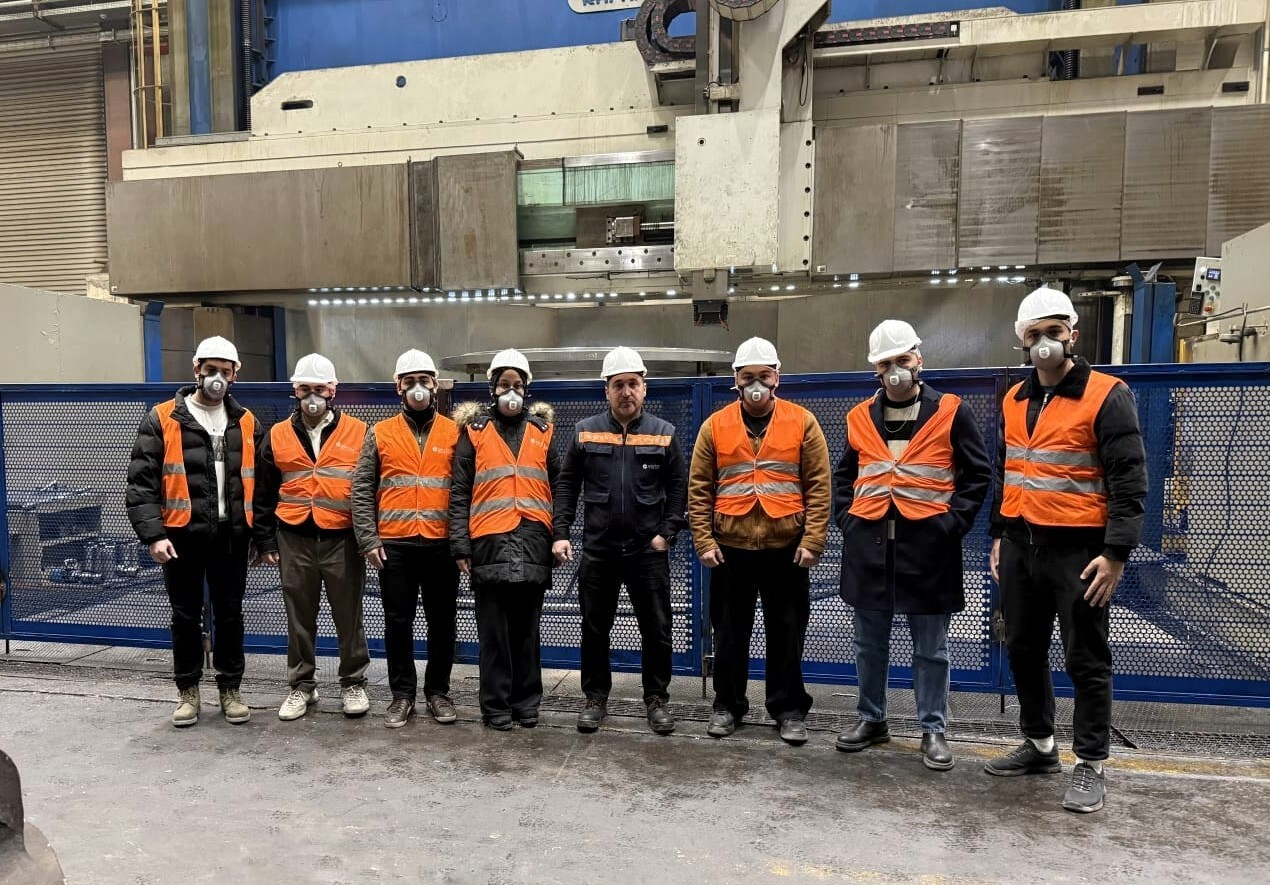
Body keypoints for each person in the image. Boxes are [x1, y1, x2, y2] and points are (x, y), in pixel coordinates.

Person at [985, 287, 1147, 814]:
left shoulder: (1106, 394)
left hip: (1079, 553)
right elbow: (1007, 470)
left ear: (1072, 335)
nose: (1044, 343)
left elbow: (1129, 478)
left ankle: (1091, 763)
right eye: (1033, 335)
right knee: (1023, 650)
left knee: (1085, 658)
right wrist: (998, 534)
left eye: (1053, 331)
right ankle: (1040, 745)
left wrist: (1117, 552)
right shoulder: (1014, 399)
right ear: (1022, 344)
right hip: (1020, 545)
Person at [832, 321, 990, 770]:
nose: (896, 370)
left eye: (903, 360)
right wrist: (847, 519)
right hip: (870, 548)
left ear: (918, 360)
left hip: (928, 550)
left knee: (931, 649)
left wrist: (952, 524)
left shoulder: (951, 411)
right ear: (876, 371)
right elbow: (845, 475)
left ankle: (933, 729)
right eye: (886, 364)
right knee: (868, 644)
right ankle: (872, 719)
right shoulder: (859, 416)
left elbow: (977, 475)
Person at [688, 337, 832, 745]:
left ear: (777, 378)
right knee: (729, 634)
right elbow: (699, 488)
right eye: (748, 377)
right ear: (735, 380)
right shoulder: (714, 426)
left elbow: (819, 486)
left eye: (764, 377)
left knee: (786, 634)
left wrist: (813, 540)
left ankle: (788, 710)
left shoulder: (802, 422)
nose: (756, 384)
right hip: (729, 550)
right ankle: (727, 706)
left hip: (786, 548)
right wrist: (704, 540)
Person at [126, 336, 266, 728]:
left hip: (231, 537)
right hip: (181, 536)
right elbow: (142, 483)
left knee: (230, 614)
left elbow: (261, 485)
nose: (216, 376)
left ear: (236, 374)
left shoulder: (246, 421)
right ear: (196, 370)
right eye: (210, 368)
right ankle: (188, 692)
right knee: (185, 616)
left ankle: (230, 689)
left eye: (225, 369)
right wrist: (154, 535)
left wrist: (259, 537)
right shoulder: (163, 417)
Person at [552, 347, 688, 735]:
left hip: (648, 551)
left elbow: (679, 488)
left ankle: (657, 700)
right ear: (606, 391)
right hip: (599, 550)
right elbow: (567, 486)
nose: (626, 392)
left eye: (633, 384)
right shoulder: (584, 431)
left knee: (658, 629)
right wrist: (560, 532)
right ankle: (595, 699)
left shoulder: (664, 434)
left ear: (644, 389)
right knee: (595, 627)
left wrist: (668, 532)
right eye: (618, 385)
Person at [255, 354, 371, 721]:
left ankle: (353, 683)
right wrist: (267, 541)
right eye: (305, 389)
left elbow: (370, 490)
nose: (312, 396)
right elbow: (263, 492)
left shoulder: (360, 432)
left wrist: (369, 539)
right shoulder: (276, 435)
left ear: (333, 390)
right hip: (294, 538)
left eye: (319, 389)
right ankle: (301, 686)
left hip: (343, 538)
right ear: (295, 390)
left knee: (348, 615)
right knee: (299, 617)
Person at [449, 349, 561, 730]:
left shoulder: (543, 433)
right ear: (492, 389)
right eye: (504, 385)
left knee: (527, 633)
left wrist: (557, 534)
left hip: (532, 542)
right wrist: (460, 545)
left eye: (517, 385)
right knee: (494, 635)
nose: (510, 391)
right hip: (489, 544)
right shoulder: (474, 432)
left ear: (526, 390)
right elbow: (460, 490)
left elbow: (558, 486)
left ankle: (526, 704)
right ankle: (496, 706)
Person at [350, 349, 462, 728]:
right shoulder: (379, 433)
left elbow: (465, 489)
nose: (418, 388)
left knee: (442, 621)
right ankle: (402, 695)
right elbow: (362, 488)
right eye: (409, 381)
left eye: (424, 381)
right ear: (398, 387)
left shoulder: (454, 432)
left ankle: (438, 691)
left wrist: (461, 542)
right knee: (398, 622)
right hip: (393, 546)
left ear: (435, 385)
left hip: (441, 544)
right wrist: (368, 539)